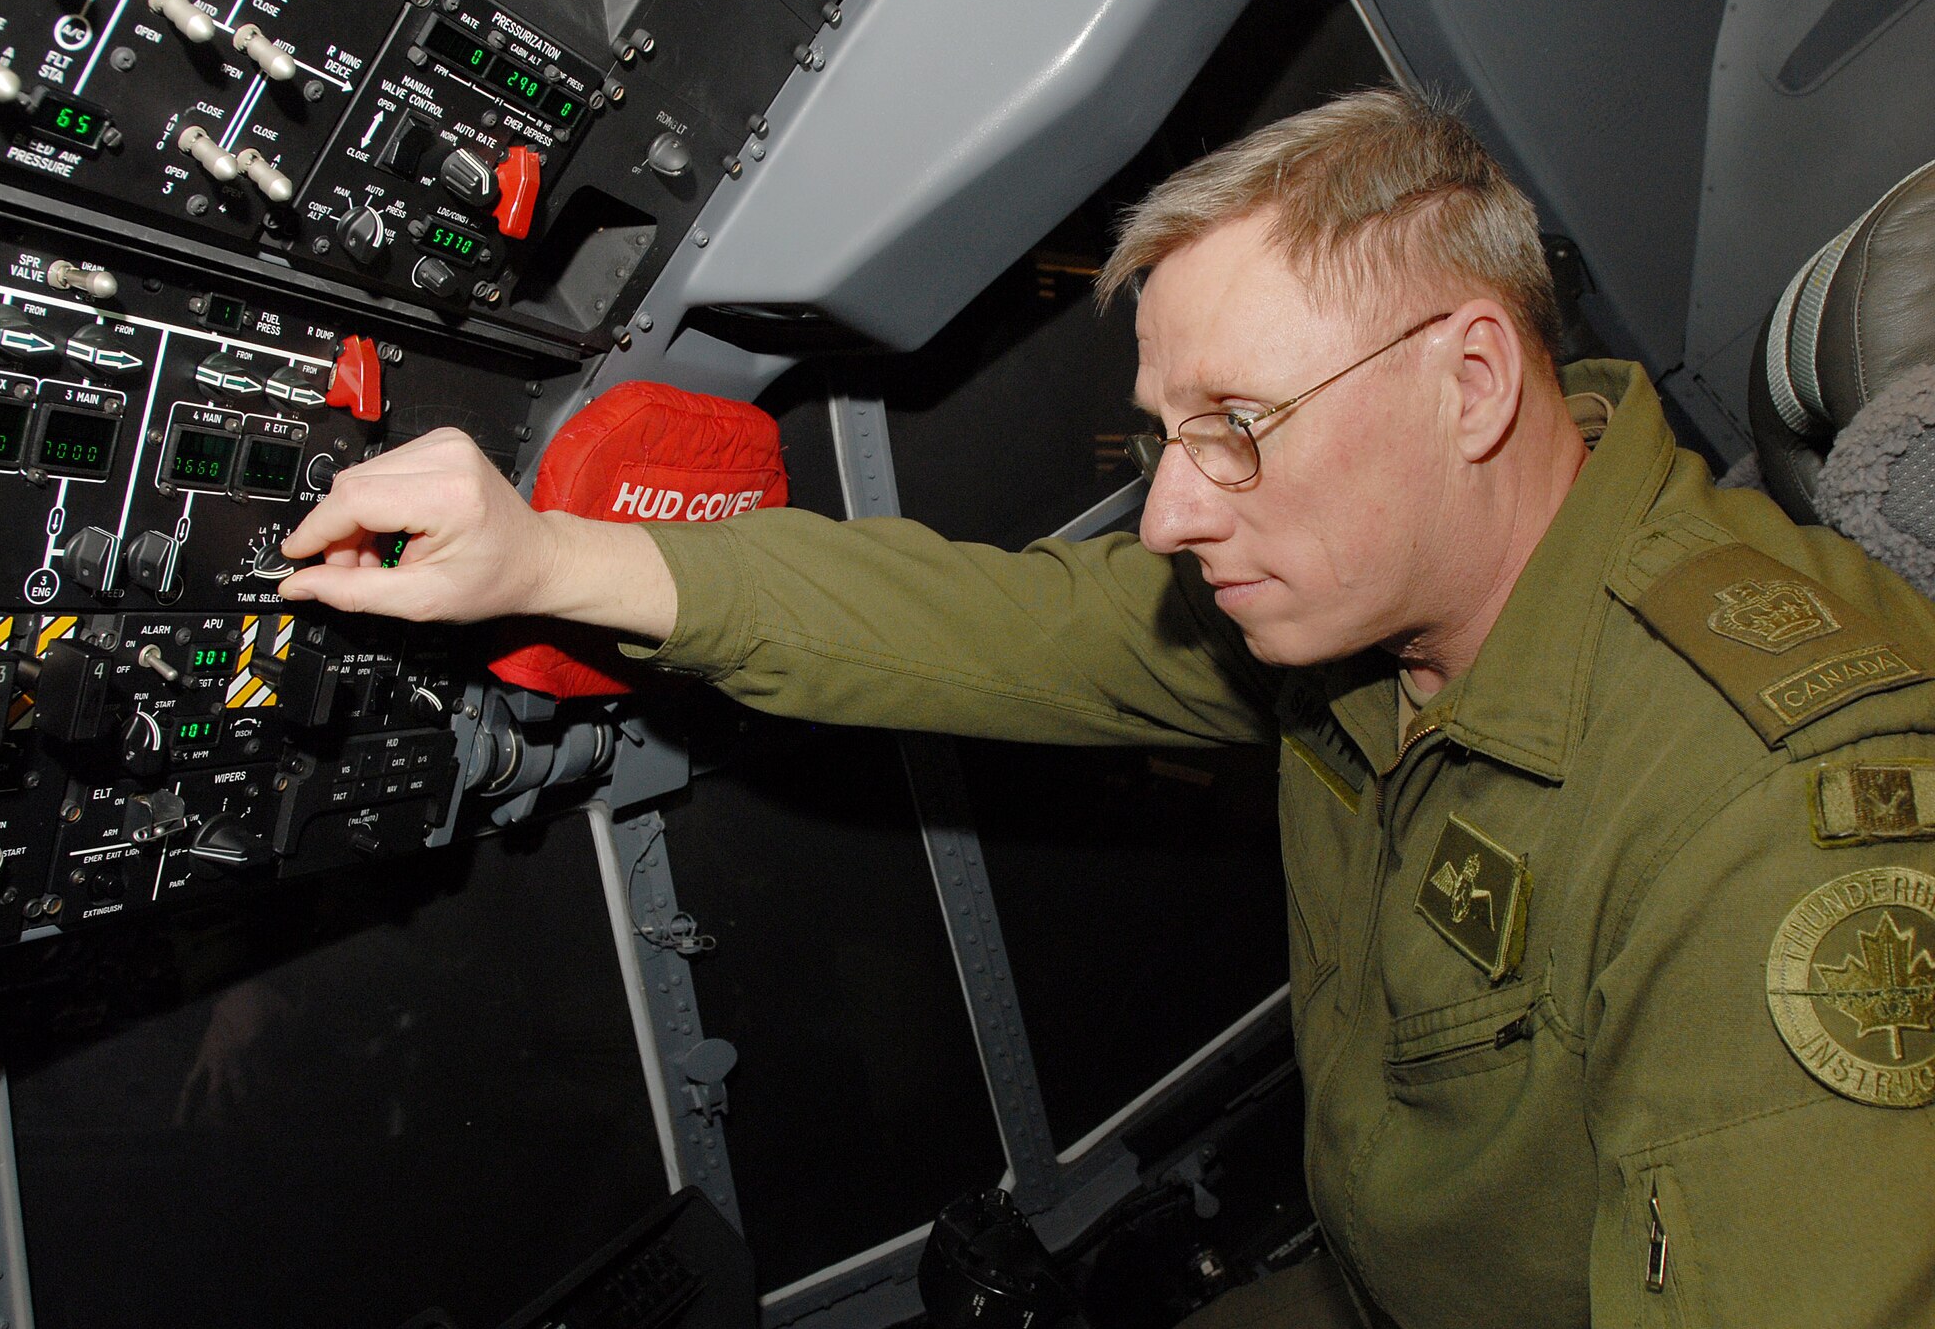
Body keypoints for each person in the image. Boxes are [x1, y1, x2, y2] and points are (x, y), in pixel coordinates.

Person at [279, 88, 1935, 1328]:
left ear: (1475, 384)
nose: (1167, 516)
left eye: (1238, 424)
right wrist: (553, 556)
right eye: (1163, 436)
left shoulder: (1776, 821)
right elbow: (1004, 630)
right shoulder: (1377, 588)